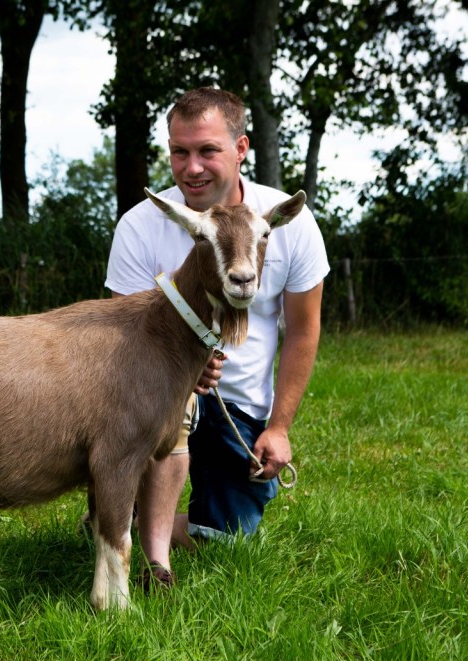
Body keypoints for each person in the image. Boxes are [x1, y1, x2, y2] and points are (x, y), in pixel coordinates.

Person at [105, 87, 330, 589]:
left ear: (241, 148)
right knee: (171, 411)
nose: (192, 168)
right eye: (179, 152)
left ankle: (126, 517)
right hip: (158, 396)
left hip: (240, 406)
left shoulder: (286, 222)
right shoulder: (140, 225)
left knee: (226, 538)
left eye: (207, 150)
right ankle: (144, 546)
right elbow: (124, 334)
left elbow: (303, 329)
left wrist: (279, 428)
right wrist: (184, 365)